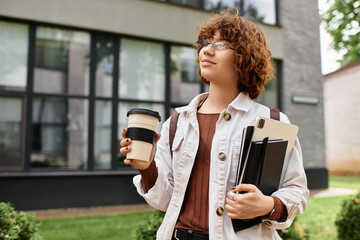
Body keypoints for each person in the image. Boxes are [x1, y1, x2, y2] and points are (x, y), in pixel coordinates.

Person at [120, 9, 309, 240]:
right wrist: (147, 168)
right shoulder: (178, 122)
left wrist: (267, 205)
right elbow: (166, 201)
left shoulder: (271, 122)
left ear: (244, 57)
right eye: (205, 42)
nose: (206, 50)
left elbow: (297, 191)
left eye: (221, 45)